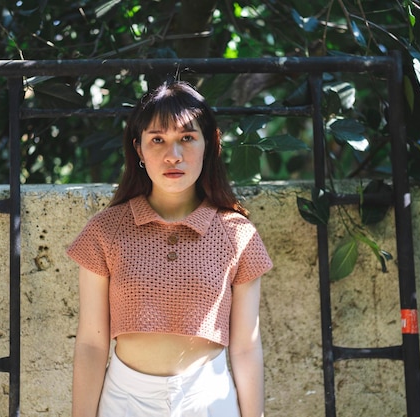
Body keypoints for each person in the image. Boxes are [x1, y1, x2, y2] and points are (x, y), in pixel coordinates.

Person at [66, 80, 273, 417]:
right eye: (158, 139)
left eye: (187, 139)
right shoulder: (104, 230)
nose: (173, 155)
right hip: (125, 401)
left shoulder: (237, 234)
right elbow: (91, 343)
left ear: (209, 145)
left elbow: (247, 347)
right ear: (139, 149)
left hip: (210, 399)